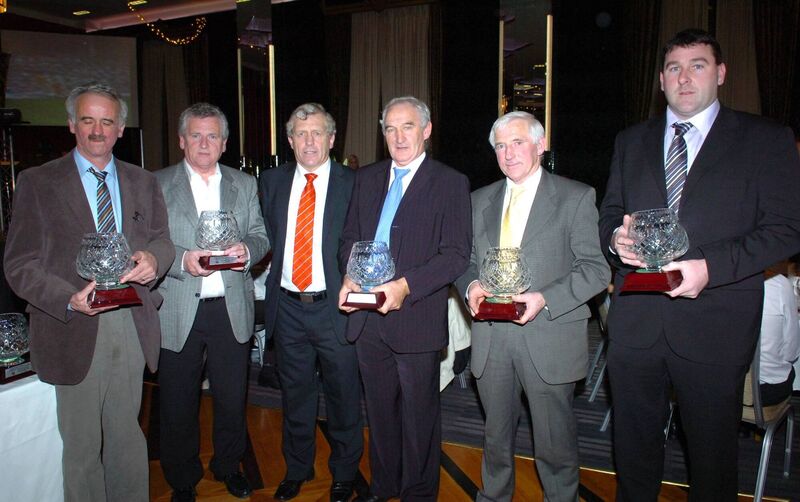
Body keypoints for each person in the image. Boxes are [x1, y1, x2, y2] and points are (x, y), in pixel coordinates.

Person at [598, 28, 800, 501]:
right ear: (661, 81)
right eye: (674, 68)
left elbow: (788, 227)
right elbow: (609, 213)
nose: (684, 77)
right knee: (633, 450)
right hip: (636, 321)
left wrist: (710, 267)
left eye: (698, 65)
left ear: (721, 73)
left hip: (716, 321)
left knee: (711, 459)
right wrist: (615, 238)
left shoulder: (765, 139)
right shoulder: (631, 141)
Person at [3, 82, 174, 502]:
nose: (98, 130)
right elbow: (19, 263)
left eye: (107, 121)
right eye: (87, 120)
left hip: (131, 322)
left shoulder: (142, 181)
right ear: (71, 124)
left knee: (127, 439)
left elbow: (162, 240)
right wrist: (67, 297)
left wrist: (154, 258)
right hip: (73, 325)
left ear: (120, 128)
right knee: (81, 449)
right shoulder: (38, 182)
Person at [455, 111, 610, 501]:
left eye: (518, 142)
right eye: (501, 146)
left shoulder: (576, 197)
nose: (509, 153)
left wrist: (544, 298)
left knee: (555, 445)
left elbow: (595, 269)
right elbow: (465, 261)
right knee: (495, 438)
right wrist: (471, 285)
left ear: (540, 145)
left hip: (548, 336)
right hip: (492, 338)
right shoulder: (478, 201)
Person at [338, 96, 472, 501]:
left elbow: (455, 256)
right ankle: (384, 486)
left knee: (419, 419)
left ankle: (417, 493)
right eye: (391, 128)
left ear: (426, 130)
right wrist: (348, 273)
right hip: (366, 320)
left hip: (415, 317)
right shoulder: (365, 178)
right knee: (378, 414)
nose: (398, 136)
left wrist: (404, 286)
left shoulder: (450, 182)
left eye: (408, 126)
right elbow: (348, 238)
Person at [154, 103, 268, 502]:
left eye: (213, 136)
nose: (205, 143)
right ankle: (182, 479)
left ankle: (228, 466)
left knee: (232, 397)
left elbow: (260, 235)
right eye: (196, 135)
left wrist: (247, 250)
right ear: (182, 140)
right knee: (177, 400)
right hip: (177, 307)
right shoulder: (157, 183)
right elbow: (150, 245)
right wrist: (182, 259)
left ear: (224, 143)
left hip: (230, 308)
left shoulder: (245, 184)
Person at [260, 103, 362, 502]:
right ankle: (297, 469)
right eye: (301, 133)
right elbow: (266, 235)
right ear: (289, 140)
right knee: (295, 395)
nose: (309, 141)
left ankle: (344, 474)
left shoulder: (353, 183)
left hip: (335, 307)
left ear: (332, 139)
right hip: (287, 308)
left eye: (317, 133)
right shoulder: (271, 181)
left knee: (343, 395)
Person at [759, 263, 800, 405]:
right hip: (764, 391)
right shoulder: (778, 285)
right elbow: (791, 353)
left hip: (719, 388)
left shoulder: (709, 283)